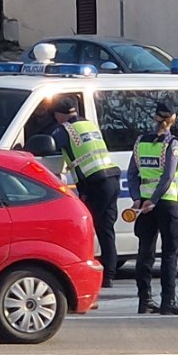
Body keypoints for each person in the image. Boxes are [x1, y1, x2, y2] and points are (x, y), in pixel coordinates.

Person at [51, 96, 121, 288]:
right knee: (106, 230)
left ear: (59, 114)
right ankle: (109, 276)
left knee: (85, 228)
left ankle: (85, 273)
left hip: (95, 184)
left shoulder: (65, 129)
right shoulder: (88, 125)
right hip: (113, 180)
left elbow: (47, 144)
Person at [127, 97, 178, 316]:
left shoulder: (140, 141)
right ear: (173, 119)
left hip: (144, 206)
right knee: (170, 254)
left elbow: (132, 173)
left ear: (155, 117)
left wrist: (138, 198)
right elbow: (168, 176)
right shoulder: (172, 144)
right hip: (167, 204)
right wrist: (154, 199)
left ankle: (145, 300)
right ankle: (168, 301)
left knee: (145, 253)